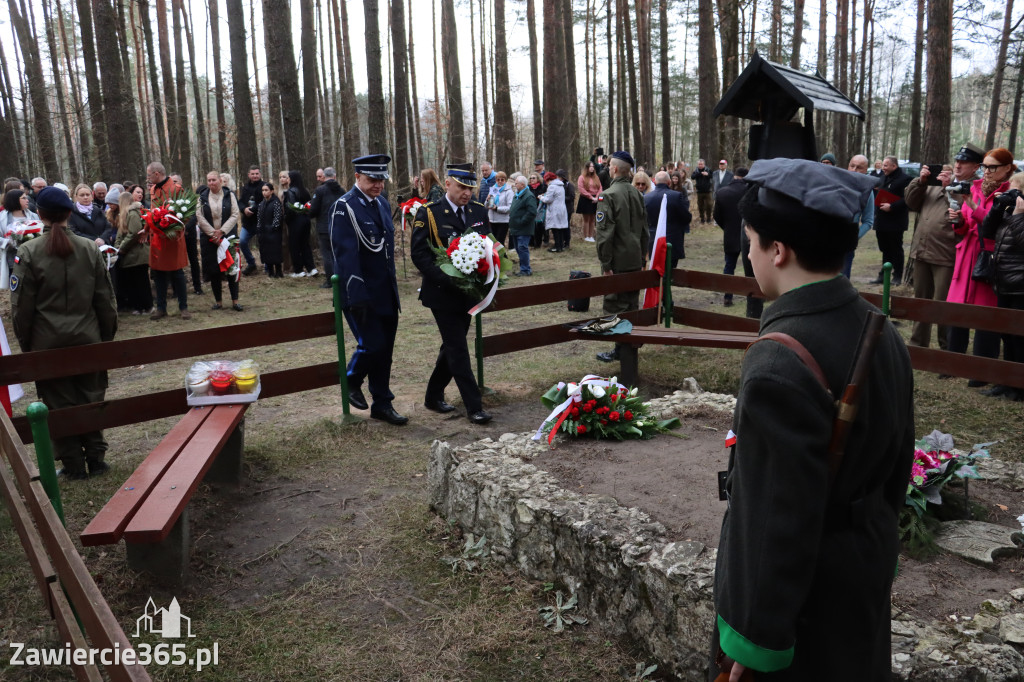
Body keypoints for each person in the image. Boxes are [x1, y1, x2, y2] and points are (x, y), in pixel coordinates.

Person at [711, 158, 914, 681]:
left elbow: (776, 519)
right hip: (860, 573)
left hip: (805, 605)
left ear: (778, 250)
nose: (748, 252)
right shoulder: (879, 327)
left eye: (751, 240)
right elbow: (897, 465)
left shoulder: (777, 361)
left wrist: (755, 643)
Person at [11, 187, 118, 480]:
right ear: (70, 212)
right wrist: (104, 340)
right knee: (90, 396)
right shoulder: (89, 248)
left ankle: (72, 464)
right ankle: (96, 459)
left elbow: (21, 309)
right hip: (88, 338)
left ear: (41, 215)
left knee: (57, 403)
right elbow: (105, 302)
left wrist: (28, 346)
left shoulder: (28, 252)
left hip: (49, 343)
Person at [410, 163, 492, 425]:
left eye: (470, 188)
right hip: (442, 293)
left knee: (451, 345)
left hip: (468, 293)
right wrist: (445, 279)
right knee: (458, 347)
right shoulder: (430, 214)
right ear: (447, 184)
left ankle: (433, 396)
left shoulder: (478, 211)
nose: (466, 193)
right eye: (461, 187)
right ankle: (474, 406)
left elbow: (490, 246)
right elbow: (419, 254)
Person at [328, 154, 407, 425]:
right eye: (372, 179)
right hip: (360, 293)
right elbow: (345, 255)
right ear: (357, 177)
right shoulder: (344, 207)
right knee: (372, 345)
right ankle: (350, 379)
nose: (378, 185)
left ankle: (382, 403)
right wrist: (356, 295)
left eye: (381, 179)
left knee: (385, 352)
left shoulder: (383, 205)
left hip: (385, 291)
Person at [947, 148, 1015, 385]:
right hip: (966, 253)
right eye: (985, 167)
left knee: (986, 312)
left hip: (990, 255)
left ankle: (981, 371)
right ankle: (952, 362)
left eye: (992, 167)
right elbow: (967, 224)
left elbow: (995, 225)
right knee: (958, 308)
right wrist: (958, 221)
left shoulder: (1010, 192)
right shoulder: (973, 188)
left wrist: (972, 207)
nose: (987, 172)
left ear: (1007, 168)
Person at [905, 144, 983, 349]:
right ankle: (917, 344)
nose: (958, 165)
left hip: (947, 254)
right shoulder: (933, 182)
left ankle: (948, 348)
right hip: (922, 251)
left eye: (963, 162)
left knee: (944, 305)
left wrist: (947, 189)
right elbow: (911, 203)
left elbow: (965, 214)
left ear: (975, 167)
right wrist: (920, 182)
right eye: (957, 161)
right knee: (920, 302)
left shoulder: (975, 187)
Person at [594, 151, 649, 386]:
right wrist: (643, 256)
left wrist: (606, 263)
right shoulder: (638, 194)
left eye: (608, 166)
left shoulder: (607, 196)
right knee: (631, 306)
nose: (606, 169)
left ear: (614, 170)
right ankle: (622, 352)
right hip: (635, 259)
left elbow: (605, 234)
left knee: (616, 308)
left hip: (618, 262)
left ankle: (624, 361)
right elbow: (645, 230)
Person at [982, 171, 1024, 401]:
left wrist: (1018, 216)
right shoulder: (1009, 212)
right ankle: (1005, 382)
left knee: (1019, 337)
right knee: (1006, 334)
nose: (1010, 193)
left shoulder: (1019, 214)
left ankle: (1018, 387)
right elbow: (986, 233)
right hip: (1003, 281)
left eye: (1015, 190)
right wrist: (998, 208)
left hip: (1020, 285)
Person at [146, 162, 190, 320]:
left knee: (177, 273)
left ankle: (183, 307)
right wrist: (146, 229)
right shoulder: (152, 189)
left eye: (149, 175)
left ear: (157, 174)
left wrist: (172, 230)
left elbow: (186, 214)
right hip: (157, 239)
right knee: (158, 274)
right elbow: (152, 213)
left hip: (172, 239)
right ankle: (161, 308)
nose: (148, 179)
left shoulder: (176, 189)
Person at [197, 171, 243, 311]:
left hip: (228, 237)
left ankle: (235, 301)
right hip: (210, 239)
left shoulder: (230, 195)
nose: (211, 183)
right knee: (214, 270)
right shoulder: (202, 197)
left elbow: (235, 214)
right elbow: (199, 216)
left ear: (220, 181)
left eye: (214, 180)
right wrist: (213, 234)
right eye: (209, 180)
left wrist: (222, 231)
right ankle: (218, 302)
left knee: (231, 269)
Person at [871, 155, 910, 284]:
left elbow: (909, 198)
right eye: (883, 165)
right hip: (881, 220)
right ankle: (883, 275)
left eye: (886, 165)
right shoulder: (882, 177)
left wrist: (892, 206)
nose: (883, 168)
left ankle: (897, 276)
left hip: (895, 221)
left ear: (894, 166)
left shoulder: (905, 179)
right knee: (885, 249)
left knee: (896, 249)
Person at [113, 190, 153, 315]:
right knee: (134, 282)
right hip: (130, 255)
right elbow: (120, 234)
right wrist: (117, 247)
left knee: (141, 281)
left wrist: (122, 247)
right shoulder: (124, 215)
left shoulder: (132, 213)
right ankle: (138, 306)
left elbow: (134, 233)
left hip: (137, 254)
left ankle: (147, 306)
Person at [714, 167, 748, 306]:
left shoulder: (722, 192)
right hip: (748, 234)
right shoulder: (751, 191)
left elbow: (716, 215)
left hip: (730, 234)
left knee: (729, 266)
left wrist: (726, 227)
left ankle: (728, 297)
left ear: (734, 176)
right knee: (752, 268)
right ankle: (755, 296)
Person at [841, 154, 877, 279]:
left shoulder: (867, 191)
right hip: (826, 239)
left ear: (866, 170)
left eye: (859, 167)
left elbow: (868, 221)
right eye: (852, 166)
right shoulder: (836, 182)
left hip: (847, 243)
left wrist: (853, 237)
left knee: (842, 279)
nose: (854, 170)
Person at [645, 170, 690, 269]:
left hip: (654, 240)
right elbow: (686, 217)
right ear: (669, 182)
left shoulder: (646, 198)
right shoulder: (676, 196)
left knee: (656, 273)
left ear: (655, 182)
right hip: (672, 240)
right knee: (669, 273)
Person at [309, 166, 345, 288]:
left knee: (327, 254)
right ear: (334, 176)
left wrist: (308, 211)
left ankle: (331, 281)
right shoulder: (342, 191)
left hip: (324, 227)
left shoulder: (320, 191)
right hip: (339, 226)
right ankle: (341, 277)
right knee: (338, 253)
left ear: (324, 177)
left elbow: (313, 210)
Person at [284, 170, 317, 277]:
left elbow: (290, 208)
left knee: (294, 245)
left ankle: (298, 270)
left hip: (295, 221)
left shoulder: (290, 192)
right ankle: (311, 268)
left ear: (292, 179)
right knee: (305, 245)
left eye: (288, 178)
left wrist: (286, 219)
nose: (287, 180)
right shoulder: (305, 191)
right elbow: (310, 204)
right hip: (306, 220)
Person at [509, 175, 537, 276]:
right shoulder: (517, 194)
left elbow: (532, 212)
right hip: (516, 228)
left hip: (524, 228)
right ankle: (524, 268)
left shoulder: (528, 196)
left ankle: (525, 270)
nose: (515, 185)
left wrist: (521, 221)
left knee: (522, 248)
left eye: (516, 183)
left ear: (522, 184)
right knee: (518, 249)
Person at [238, 166, 264, 275]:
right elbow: (240, 202)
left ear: (260, 174)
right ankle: (251, 263)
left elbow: (266, 202)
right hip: (247, 222)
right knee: (242, 241)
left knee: (263, 243)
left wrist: (253, 209)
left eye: (257, 173)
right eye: (252, 174)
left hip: (261, 221)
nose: (255, 176)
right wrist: (244, 209)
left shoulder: (264, 186)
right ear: (249, 175)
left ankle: (267, 265)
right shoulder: (245, 187)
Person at [257, 182, 284, 277]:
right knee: (266, 251)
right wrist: (259, 229)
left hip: (273, 232)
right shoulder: (261, 204)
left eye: (266, 190)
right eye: (263, 190)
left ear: (272, 191)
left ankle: (278, 271)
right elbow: (259, 218)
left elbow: (277, 217)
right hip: (264, 232)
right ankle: (270, 271)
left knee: (275, 251)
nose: (264, 192)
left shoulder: (276, 202)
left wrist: (273, 228)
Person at [539, 171, 569, 252]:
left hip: (555, 210)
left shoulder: (552, 186)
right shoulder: (560, 185)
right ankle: (561, 246)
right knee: (560, 228)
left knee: (555, 229)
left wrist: (541, 197)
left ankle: (557, 247)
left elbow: (548, 199)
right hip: (562, 208)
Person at [485, 171, 513, 246]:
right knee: (492, 243)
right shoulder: (493, 189)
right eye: (498, 180)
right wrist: (487, 200)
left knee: (499, 243)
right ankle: (494, 257)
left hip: (503, 221)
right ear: (496, 180)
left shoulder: (509, 191)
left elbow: (510, 208)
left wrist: (497, 208)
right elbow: (486, 205)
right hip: (492, 220)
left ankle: (501, 257)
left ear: (505, 180)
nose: (500, 181)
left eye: (502, 180)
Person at [577, 161, 602, 242]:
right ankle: (586, 236)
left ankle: (591, 236)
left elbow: (600, 188)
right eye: (590, 166)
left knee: (593, 219)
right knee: (586, 219)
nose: (592, 168)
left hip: (595, 199)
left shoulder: (596, 177)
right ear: (587, 168)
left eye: (593, 166)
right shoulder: (582, 177)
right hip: (586, 199)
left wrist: (597, 197)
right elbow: (581, 189)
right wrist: (591, 197)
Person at [528, 172, 547, 247]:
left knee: (539, 226)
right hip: (530, 209)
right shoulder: (528, 188)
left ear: (538, 179)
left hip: (540, 209)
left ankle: (538, 243)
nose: (532, 179)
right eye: (531, 178)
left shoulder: (543, 187)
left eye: (533, 178)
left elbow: (546, 196)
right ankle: (531, 242)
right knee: (531, 226)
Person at [691, 159, 713, 223]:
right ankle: (702, 218)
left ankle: (708, 218)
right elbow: (692, 177)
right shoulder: (696, 170)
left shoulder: (708, 170)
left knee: (709, 205)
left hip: (708, 191)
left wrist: (707, 175)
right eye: (699, 164)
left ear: (704, 164)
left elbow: (713, 176)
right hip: (699, 191)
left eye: (701, 164)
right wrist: (700, 174)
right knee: (700, 206)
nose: (700, 165)